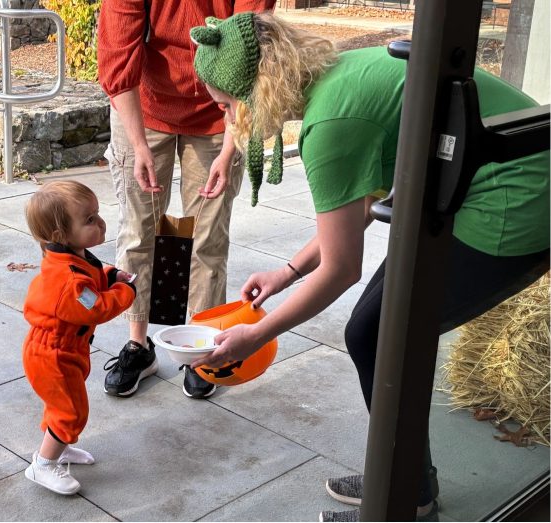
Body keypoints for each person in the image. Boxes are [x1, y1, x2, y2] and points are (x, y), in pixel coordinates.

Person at [188, 12, 550, 522]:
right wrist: (286, 273)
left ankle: (404, 494)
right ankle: (402, 479)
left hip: (517, 201)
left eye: (227, 105)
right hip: (514, 173)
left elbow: (340, 269)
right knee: (378, 330)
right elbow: (355, 210)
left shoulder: (329, 125)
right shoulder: (341, 73)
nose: (227, 120)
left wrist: (258, 335)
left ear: (257, 89)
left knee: (377, 334)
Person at [97, 0, 275, 400]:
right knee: (140, 229)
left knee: (206, 235)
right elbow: (117, 57)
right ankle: (139, 345)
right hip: (143, 106)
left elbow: (254, 63)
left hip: (220, 112)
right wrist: (138, 144)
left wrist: (230, 150)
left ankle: (203, 348)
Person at [22, 180, 137, 495]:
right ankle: (43, 464)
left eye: (97, 214)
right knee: (71, 411)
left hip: (64, 350)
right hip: (52, 356)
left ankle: (58, 444)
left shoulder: (73, 255)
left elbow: (94, 272)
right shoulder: (66, 283)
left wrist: (112, 275)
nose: (99, 223)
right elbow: (96, 307)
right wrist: (125, 290)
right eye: (89, 219)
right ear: (60, 235)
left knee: (61, 404)